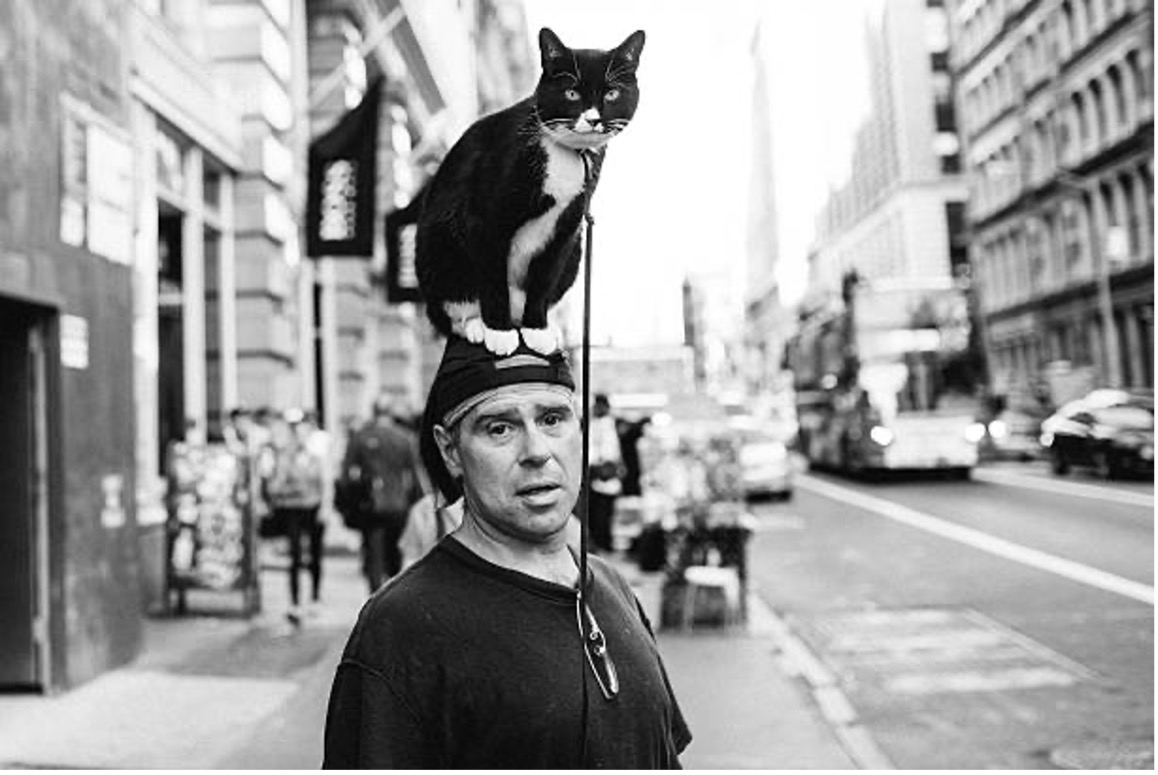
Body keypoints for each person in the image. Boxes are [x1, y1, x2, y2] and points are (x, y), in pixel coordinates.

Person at [323, 336, 691, 768]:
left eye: (553, 419)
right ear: (450, 451)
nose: (537, 451)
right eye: (500, 428)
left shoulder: (611, 587)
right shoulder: (400, 629)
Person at [338, 396, 424, 593]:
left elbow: (345, 476)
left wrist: (350, 504)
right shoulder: (404, 438)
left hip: (371, 505)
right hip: (399, 504)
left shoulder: (361, 437)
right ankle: (394, 597)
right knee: (395, 553)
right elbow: (415, 475)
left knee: (374, 556)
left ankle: (376, 600)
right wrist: (418, 503)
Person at [266, 409, 325, 625]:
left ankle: (315, 597)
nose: (300, 435)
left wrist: (324, 507)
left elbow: (324, 483)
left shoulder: (315, 456)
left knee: (315, 554)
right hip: (292, 509)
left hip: (313, 508)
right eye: (296, 431)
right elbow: (275, 486)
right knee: (295, 555)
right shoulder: (284, 457)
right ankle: (295, 602)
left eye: (304, 430)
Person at [586, 393, 623, 553]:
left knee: (604, 513)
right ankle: (598, 543)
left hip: (605, 473)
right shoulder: (594, 424)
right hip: (595, 473)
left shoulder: (609, 424)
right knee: (596, 513)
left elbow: (610, 451)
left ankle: (603, 543)